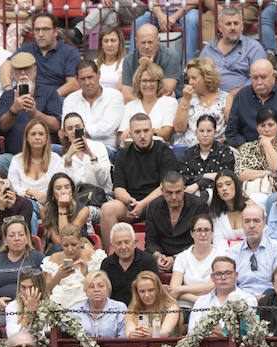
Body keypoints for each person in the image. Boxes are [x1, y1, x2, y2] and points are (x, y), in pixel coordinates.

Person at [101, 113, 178, 246]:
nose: (142, 136)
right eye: (137, 132)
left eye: (146, 131)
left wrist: (142, 204)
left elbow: (166, 186)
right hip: (131, 204)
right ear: (130, 133)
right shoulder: (123, 155)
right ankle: (110, 259)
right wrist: (131, 203)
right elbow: (118, 189)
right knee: (107, 209)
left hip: (159, 202)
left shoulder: (165, 152)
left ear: (153, 131)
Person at [0, 50, 63, 164]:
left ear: (35, 71)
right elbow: (2, 127)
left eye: (27, 69)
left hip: (45, 154)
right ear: (13, 74)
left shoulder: (49, 92)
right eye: (18, 70)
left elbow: (56, 126)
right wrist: (13, 110)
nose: (23, 74)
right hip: (15, 156)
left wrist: (35, 113)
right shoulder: (7, 96)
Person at [227, 59, 277, 149]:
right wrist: (247, 149)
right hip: (246, 150)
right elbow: (232, 132)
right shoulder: (241, 96)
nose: (259, 82)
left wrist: (274, 148)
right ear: (250, 78)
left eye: (263, 77)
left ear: (273, 76)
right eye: (255, 78)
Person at [0, 215, 44, 315]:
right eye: (12, 235)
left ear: (27, 238)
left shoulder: (37, 257)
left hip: (29, 307)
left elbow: (47, 285)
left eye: (21, 235)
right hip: (0, 307)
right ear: (5, 240)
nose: (17, 238)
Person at [197, 5, 266, 95]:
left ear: (241, 26)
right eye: (228, 24)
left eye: (236, 23)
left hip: (243, 98)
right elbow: (198, 75)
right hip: (210, 99)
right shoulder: (208, 49)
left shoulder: (253, 48)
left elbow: (259, 79)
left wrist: (234, 94)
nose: (233, 27)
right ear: (219, 28)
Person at [233, 107, 277, 202]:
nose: (267, 129)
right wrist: (268, 173)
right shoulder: (248, 147)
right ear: (257, 128)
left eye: (270, 125)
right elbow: (239, 173)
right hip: (248, 193)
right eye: (262, 125)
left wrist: (267, 144)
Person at [62, 59, 124, 153]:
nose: (87, 83)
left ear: (98, 74)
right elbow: (66, 127)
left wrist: (78, 132)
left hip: (105, 148)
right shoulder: (70, 99)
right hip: (76, 149)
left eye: (90, 77)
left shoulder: (114, 96)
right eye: (82, 79)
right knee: (50, 149)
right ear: (76, 79)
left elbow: (107, 128)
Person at [187, 255, 258, 331]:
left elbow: (247, 332)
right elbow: (192, 331)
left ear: (236, 275)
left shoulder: (248, 300)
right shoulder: (201, 301)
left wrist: (223, 334)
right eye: (218, 273)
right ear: (212, 277)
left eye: (228, 273)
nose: (223, 277)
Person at [170, 213, 223, 309]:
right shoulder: (182, 257)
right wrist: (198, 300)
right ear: (192, 233)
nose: (203, 234)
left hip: (212, 306)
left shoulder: (220, 255)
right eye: (199, 230)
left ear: (212, 232)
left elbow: (211, 287)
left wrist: (181, 289)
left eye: (206, 230)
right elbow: (173, 290)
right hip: (185, 306)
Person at [229, 203, 277, 297]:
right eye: (247, 221)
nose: (252, 225)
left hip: (271, 300)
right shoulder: (233, 252)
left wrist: (259, 300)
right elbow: (230, 285)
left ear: (264, 223)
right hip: (241, 302)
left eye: (256, 221)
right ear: (242, 224)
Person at [118, 62, 178, 146]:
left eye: (152, 80)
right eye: (144, 81)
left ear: (158, 82)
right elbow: (121, 136)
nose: (148, 84)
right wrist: (154, 131)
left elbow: (166, 134)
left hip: (160, 151)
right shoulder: (130, 106)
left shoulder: (170, 103)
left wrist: (135, 131)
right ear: (138, 83)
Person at [41, 223, 101, 307]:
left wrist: (86, 275)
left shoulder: (93, 257)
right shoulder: (53, 259)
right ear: (61, 244)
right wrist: (58, 276)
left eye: (73, 244)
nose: (69, 249)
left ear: (81, 242)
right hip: (59, 306)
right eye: (65, 245)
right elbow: (46, 292)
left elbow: (100, 289)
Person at [121, 23, 183, 103]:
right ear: (136, 42)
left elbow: (166, 90)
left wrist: (149, 67)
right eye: (143, 43)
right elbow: (127, 96)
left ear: (158, 41)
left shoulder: (171, 56)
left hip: (169, 102)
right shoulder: (128, 60)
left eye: (150, 42)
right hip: (139, 105)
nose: (146, 47)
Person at [180, 115, 236, 202]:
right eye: (201, 131)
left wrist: (198, 184)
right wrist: (205, 176)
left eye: (209, 131)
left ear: (215, 133)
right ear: (196, 132)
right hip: (192, 192)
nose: (205, 135)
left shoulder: (225, 152)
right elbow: (183, 178)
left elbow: (225, 177)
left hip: (218, 194)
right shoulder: (188, 154)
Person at [102, 223, 160, 306]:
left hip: (142, 310)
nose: (123, 247)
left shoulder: (148, 262)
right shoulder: (107, 264)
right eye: (118, 243)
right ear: (112, 246)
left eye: (127, 242)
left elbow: (155, 293)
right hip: (115, 313)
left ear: (134, 243)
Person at [125, 268, 182, 338]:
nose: (147, 295)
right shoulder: (132, 308)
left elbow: (166, 331)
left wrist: (154, 334)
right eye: (142, 291)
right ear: (137, 292)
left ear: (158, 289)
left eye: (151, 290)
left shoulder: (171, 306)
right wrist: (132, 334)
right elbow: (129, 331)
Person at [69, 270, 127, 338]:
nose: (96, 289)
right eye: (91, 286)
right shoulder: (74, 310)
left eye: (101, 286)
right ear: (85, 291)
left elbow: (123, 337)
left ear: (108, 289)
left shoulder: (120, 308)